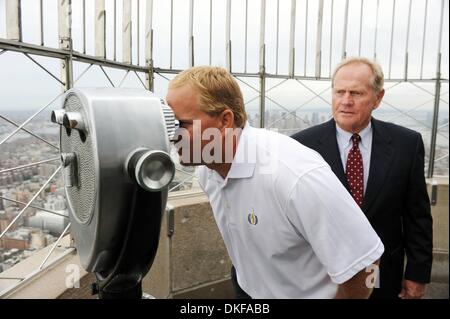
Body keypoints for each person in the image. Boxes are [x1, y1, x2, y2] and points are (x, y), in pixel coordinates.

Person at [166, 66, 384, 298]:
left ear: (225, 120)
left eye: (183, 124)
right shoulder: (207, 171)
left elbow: (368, 261)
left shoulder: (293, 174)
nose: (172, 134)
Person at [291, 57, 433, 299]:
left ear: (378, 98)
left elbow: (417, 216)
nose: (346, 101)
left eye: (356, 93)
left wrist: (417, 274)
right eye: (339, 92)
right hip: (321, 274)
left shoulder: (406, 144)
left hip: (380, 271)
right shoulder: (301, 146)